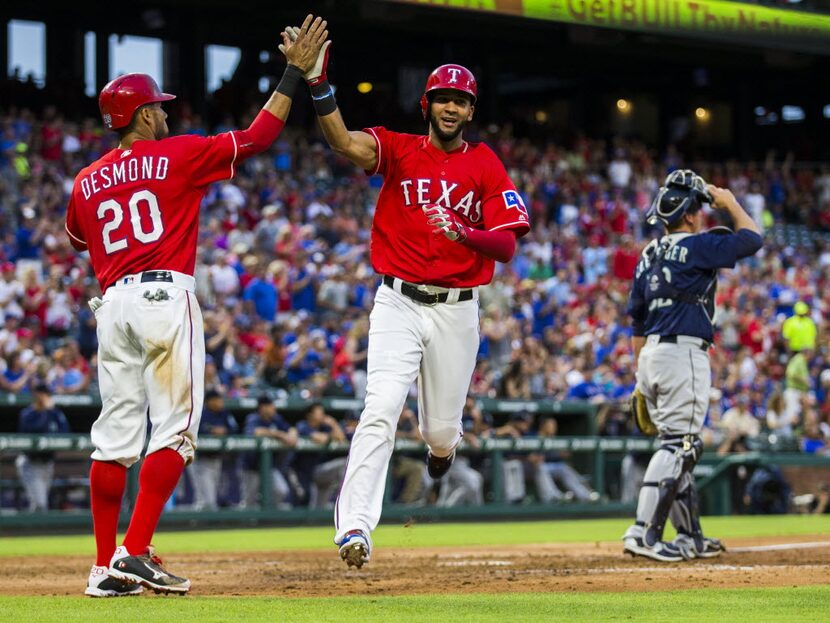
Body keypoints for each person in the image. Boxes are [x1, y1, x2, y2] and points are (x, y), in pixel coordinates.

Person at [64, 16, 329, 597]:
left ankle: (104, 564)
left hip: (111, 305)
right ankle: (135, 553)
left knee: (113, 440)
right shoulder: (178, 154)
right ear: (139, 116)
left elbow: (80, 240)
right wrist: (291, 73)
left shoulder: (84, 180)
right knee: (176, 432)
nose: (165, 113)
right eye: (157, 108)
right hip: (163, 296)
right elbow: (258, 136)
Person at [283, 27, 530, 568]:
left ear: (470, 111)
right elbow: (343, 142)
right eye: (443, 97)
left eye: (460, 100)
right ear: (428, 104)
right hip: (397, 301)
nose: (451, 106)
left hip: (458, 309)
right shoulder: (397, 148)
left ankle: (442, 450)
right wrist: (319, 84)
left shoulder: (485, 163)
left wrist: (464, 234)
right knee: (381, 407)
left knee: (440, 429)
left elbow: (508, 244)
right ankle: (354, 527)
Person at [622, 170, 762, 562]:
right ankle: (643, 533)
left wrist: (640, 378)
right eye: (698, 209)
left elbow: (636, 320)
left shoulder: (648, 253)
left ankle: (689, 536)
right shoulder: (700, 246)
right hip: (683, 353)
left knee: (679, 446)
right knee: (681, 444)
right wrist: (730, 202)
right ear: (690, 215)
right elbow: (753, 238)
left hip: (649, 353)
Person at [15, 383, 70, 511]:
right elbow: (35, 430)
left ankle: (27, 530)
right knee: (40, 504)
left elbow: (65, 432)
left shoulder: (54, 412)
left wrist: (51, 411)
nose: (45, 397)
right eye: (43, 394)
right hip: (30, 463)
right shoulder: (28, 414)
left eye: (47, 394)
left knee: (38, 505)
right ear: (36, 395)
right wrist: (47, 412)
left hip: (48, 464)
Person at [240, 396, 298, 509]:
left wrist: (292, 434)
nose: (273, 408)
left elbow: (291, 428)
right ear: (263, 407)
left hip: (269, 467)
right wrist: (280, 435)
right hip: (251, 467)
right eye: (271, 406)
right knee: (249, 501)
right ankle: (247, 523)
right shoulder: (253, 418)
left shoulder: (276, 419)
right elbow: (256, 432)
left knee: (281, 490)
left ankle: (269, 515)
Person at [190, 390, 238, 510]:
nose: (219, 402)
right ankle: (199, 521)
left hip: (217, 459)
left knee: (211, 495)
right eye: (216, 400)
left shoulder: (224, 413)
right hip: (201, 459)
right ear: (209, 401)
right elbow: (195, 432)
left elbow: (234, 429)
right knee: (206, 497)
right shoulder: (201, 414)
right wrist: (211, 431)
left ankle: (201, 519)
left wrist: (224, 431)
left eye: (220, 399)